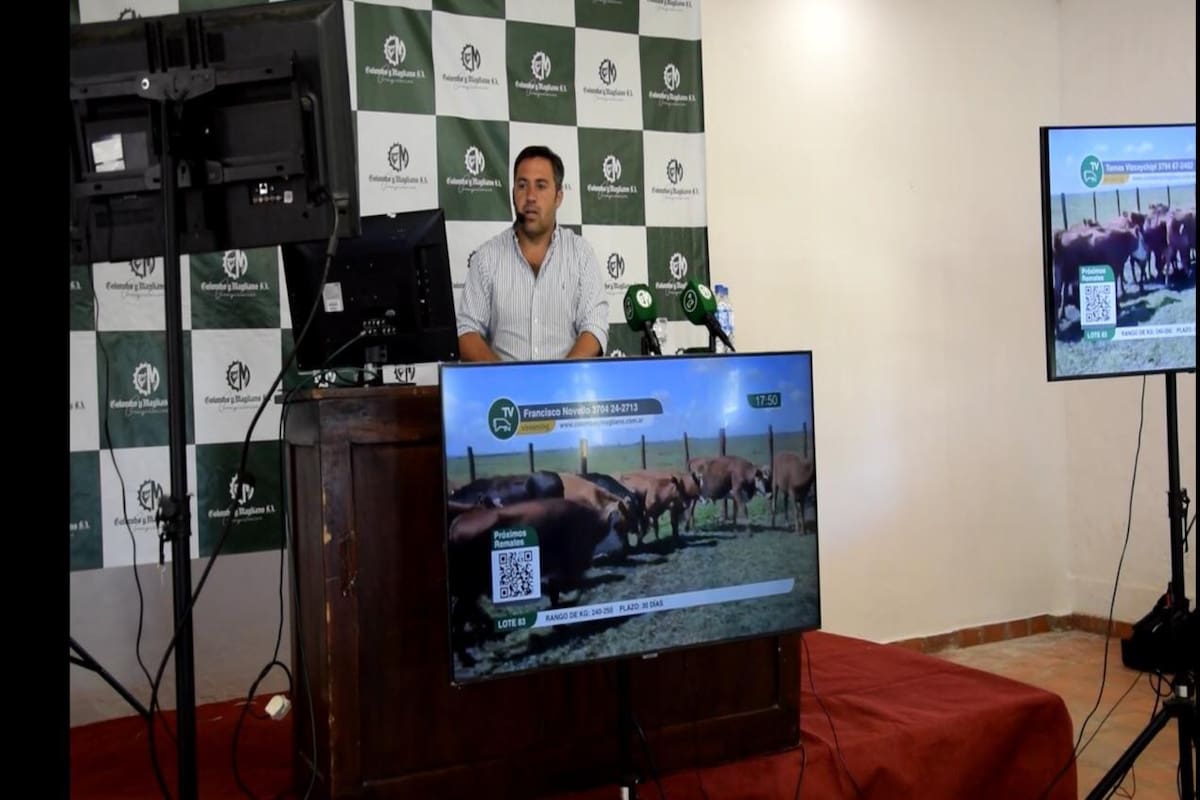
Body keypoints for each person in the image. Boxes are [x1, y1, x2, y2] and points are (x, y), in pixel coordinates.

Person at [456, 145, 609, 362]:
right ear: (512, 193)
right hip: (505, 392)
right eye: (522, 185)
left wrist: (558, 380)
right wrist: (506, 380)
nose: (530, 197)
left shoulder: (580, 255)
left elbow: (595, 328)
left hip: (565, 391)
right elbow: (466, 330)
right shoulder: (487, 258)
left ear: (558, 196)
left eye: (541, 186)